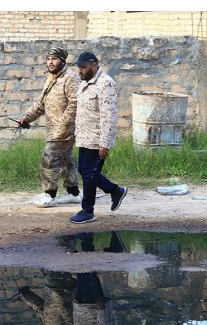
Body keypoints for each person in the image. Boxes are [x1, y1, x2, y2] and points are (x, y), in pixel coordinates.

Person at [18, 46, 81, 208]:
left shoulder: (71, 78)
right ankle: (73, 193)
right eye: (48, 59)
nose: (50, 62)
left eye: (54, 59)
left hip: (65, 129)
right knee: (66, 160)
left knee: (49, 159)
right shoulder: (51, 78)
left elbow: (75, 104)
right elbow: (40, 104)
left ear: (62, 60)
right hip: (53, 128)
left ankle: (49, 194)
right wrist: (26, 118)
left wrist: (63, 124)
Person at [70, 51, 127, 224]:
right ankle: (115, 190)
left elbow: (109, 115)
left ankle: (88, 211)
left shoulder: (106, 84)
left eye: (83, 67)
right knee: (85, 171)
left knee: (89, 174)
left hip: (97, 139)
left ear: (94, 65)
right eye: (79, 68)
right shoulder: (85, 83)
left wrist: (105, 143)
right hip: (84, 137)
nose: (80, 71)